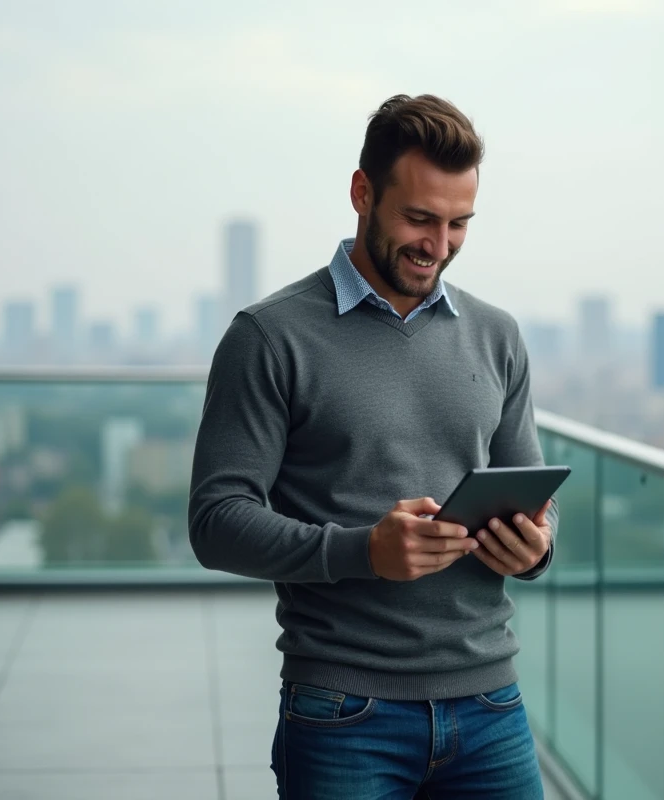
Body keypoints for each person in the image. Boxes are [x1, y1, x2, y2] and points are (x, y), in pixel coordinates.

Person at [188, 93, 558, 799]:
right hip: (342, 712)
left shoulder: (498, 335)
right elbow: (216, 522)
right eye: (419, 218)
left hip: (491, 704)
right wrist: (363, 551)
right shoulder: (270, 337)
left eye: (458, 223)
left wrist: (535, 547)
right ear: (363, 193)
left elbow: (535, 492)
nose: (438, 245)